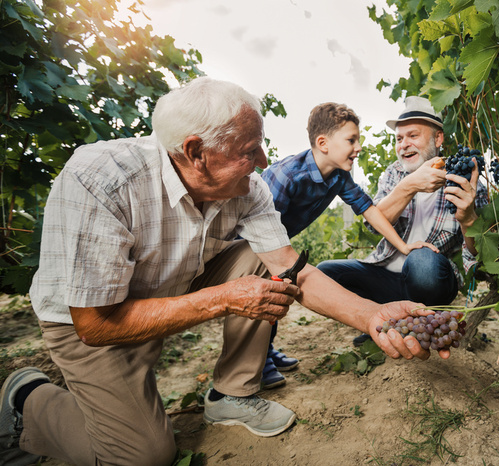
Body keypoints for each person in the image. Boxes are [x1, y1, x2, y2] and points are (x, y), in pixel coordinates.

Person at [0, 78, 444, 466]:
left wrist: (372, 315)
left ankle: (230, 393)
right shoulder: (103, 180)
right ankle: (27, 399)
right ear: (196, 152)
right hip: (93, 323)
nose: (263, 158)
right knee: (144, 456)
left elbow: (292, 269)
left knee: (260, 258)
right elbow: (94, 324)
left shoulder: (247, 188)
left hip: (173, 286)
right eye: (249, 150)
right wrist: (223, 298)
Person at [259, 102, 438, 388]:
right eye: (351, 140)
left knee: (278, 285)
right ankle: (260, 360)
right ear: (323, 143)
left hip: (277, 237)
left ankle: (265, 350)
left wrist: (404, 247)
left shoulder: (340, 176)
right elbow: (260, 223)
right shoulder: (287, 175)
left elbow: (369, 209)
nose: (358, 148)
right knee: (267, 285)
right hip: (254, 238)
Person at [317, 96, 489, 346]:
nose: (404, 145)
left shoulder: (466, 182)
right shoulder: (394, 174)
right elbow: (372, 224)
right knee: (325, 274)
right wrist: (408, 186)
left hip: (429, 279)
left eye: (413, 136)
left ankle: (414, 320)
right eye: (399, 138)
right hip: (385, 276)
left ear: (438, 139)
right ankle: (384, 320)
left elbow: (476, 260)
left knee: (420, 261)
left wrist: (468, 219)